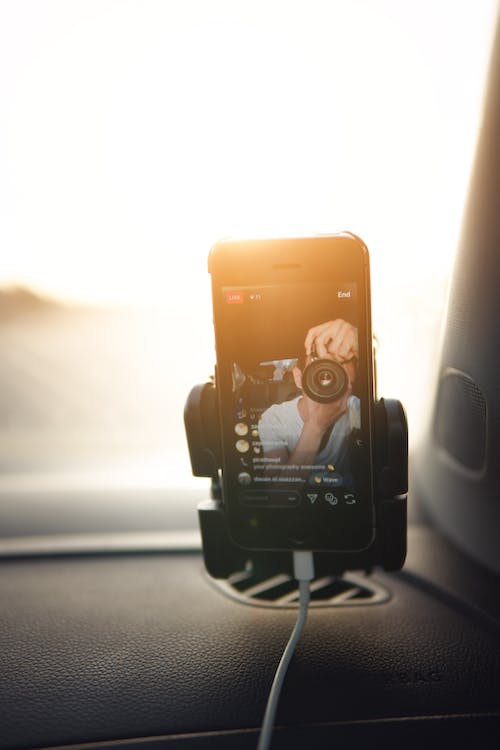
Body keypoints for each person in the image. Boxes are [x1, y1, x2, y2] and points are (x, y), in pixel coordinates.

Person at [258, 319, 360, 483]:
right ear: (299, 378)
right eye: (319, 366)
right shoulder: (274, 418)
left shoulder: (355, 408)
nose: (329, 375)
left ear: (354, 373)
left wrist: (360, 341)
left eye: (339, 363)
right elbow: (278, 495)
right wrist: (316, 426)